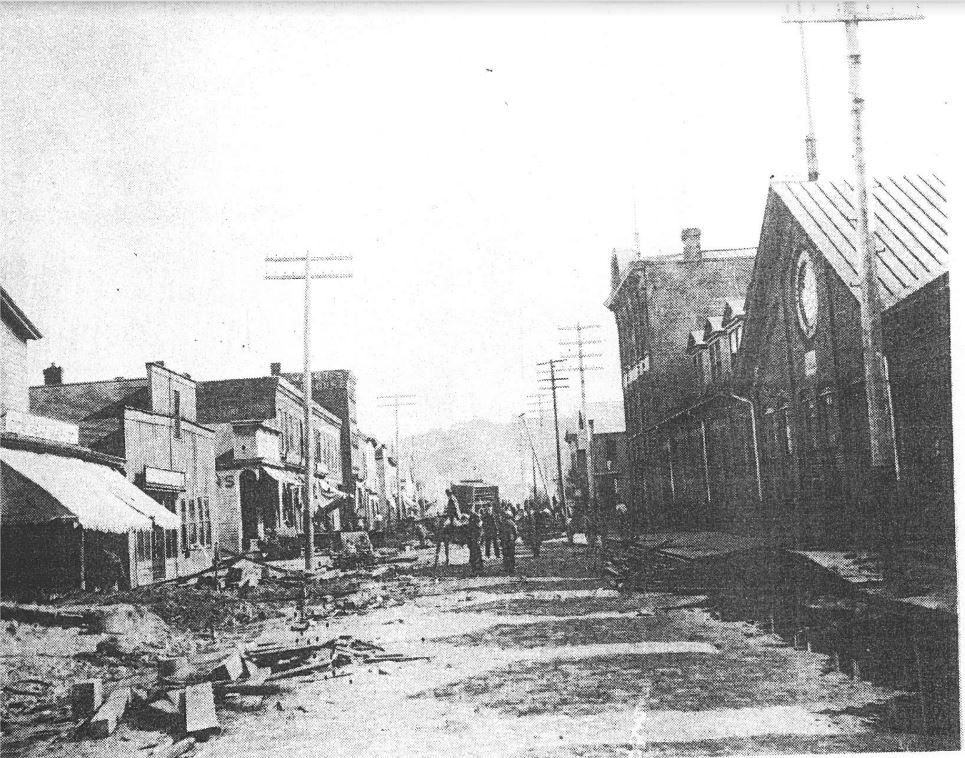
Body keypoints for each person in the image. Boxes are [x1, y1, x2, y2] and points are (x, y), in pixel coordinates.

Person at [465, 501, 484, 576]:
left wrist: (478, 539)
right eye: (468, 508)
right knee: (473, 556)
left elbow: (480, 529)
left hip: (475, 540)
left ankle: (478, 572)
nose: (469, 510)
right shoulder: (470, 517)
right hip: (472, 540)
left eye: (470, 508)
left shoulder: (476, 516)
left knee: (477, 556)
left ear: (472, 508)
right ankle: (475, 571)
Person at [499, 506, 518, 573]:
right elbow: (516, 533)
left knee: (505, 554)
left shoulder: (503, 523)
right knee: (511, 554)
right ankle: (511, 568)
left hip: (505, 541)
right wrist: (514, 539)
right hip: (511, 541)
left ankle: (506, 567)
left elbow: (500, 533)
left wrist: (501, 539)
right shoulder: (512, 523)